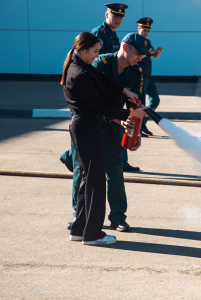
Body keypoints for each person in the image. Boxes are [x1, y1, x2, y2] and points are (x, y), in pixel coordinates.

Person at [61, 31, 148, 245]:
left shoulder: (82, 67)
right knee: (96, 181)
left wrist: (125, 92)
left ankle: (79, 229)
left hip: (87, 127)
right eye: (95, 51)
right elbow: (100, 107)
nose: (97, 56)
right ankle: (93, 234)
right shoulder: (80, 74)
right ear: (83, 50)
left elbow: (104, 79)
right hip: (88, 127)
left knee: (88, 180)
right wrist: (130, 115)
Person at [60, 2, 141, 172]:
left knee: (103, 151)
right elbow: (95, 68)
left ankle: (71, 155)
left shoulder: (113, 35)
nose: (118, 19)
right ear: (106, 15)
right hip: (94, 99)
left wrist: (122, 90)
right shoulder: (99, 34)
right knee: (82, 164)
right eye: (115, 15)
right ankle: (69, 155)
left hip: (108, 94)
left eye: (121, 17)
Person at [121, 17, 164, 170]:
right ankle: (141, 126)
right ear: (138, 29)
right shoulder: (136, 41)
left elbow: (154, 56)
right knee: (141, 103)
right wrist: (149, 53)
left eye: (147, 30)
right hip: (139, 77)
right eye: (143, 29)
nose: (145, 32)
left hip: (148, 76)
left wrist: (156, 52)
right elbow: (142, 55)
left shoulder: (147, 42)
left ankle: (143, 124)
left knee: (156, 100)